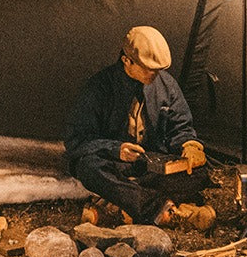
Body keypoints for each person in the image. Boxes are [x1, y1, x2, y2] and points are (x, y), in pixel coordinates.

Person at [65, 26, 215, 230]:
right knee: (88, 168)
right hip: (114, 164)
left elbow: (180, 126)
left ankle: (120, 206)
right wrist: (116, 149)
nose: (154, 74)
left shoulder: (165, 84)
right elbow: (77, 140)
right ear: (126, 60)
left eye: (158, 69)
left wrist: (190, 145)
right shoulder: (99, 87)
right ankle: (159, 209)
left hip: (151, 166)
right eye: (148, 68)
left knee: (200, 173)